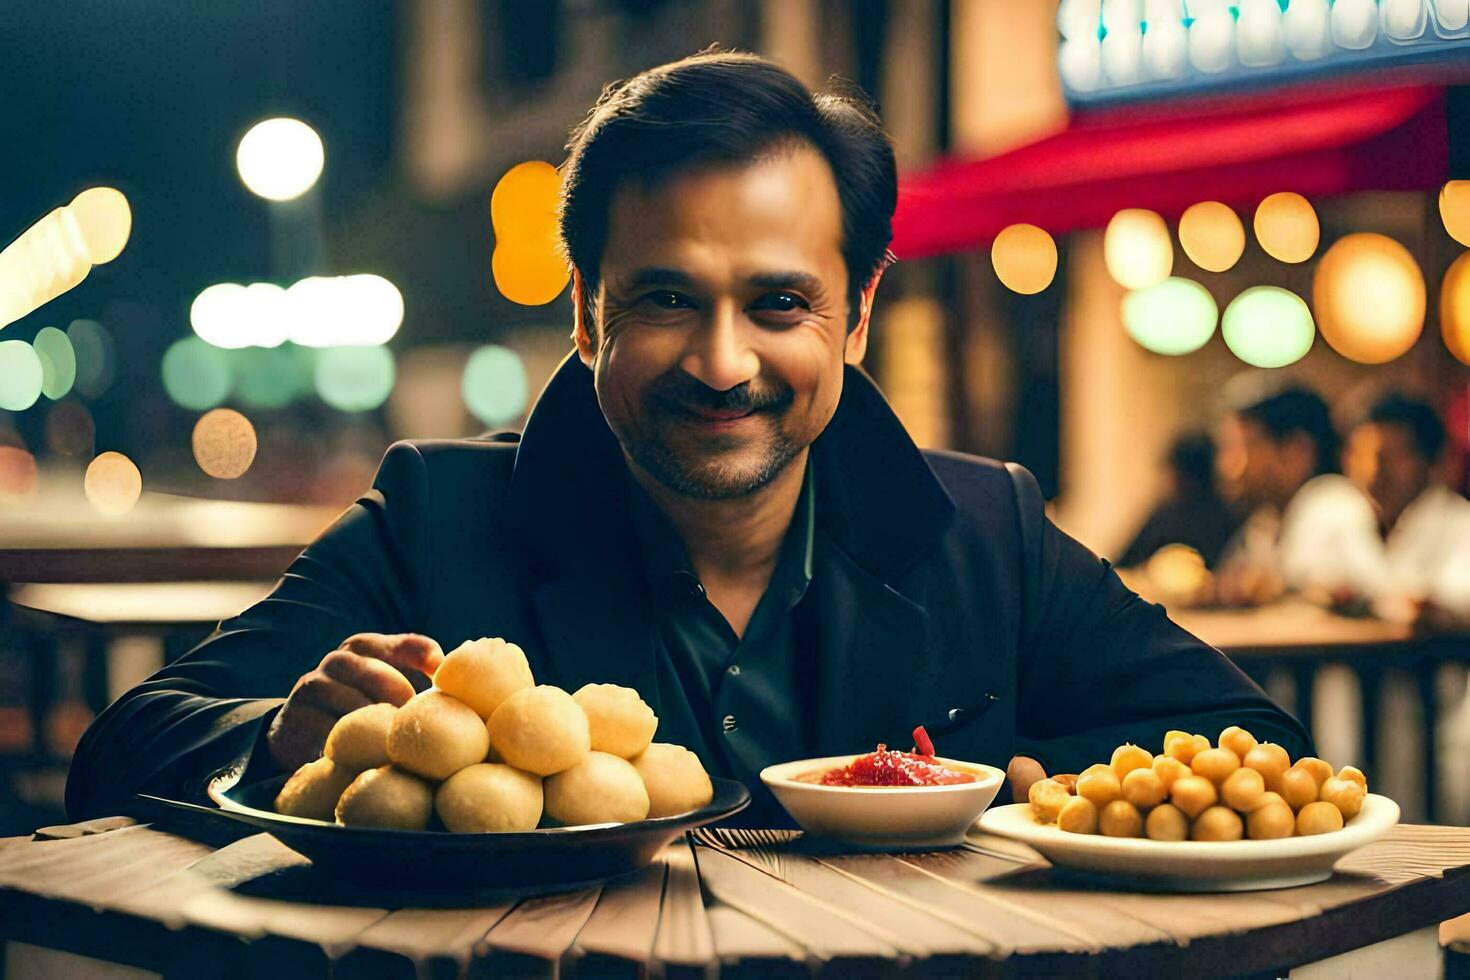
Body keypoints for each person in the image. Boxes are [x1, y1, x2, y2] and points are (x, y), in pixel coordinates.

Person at [65, 50, 1308, 825]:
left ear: (857, 315)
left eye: (779, 303)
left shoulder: (988, 527)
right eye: (665, 298)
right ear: (585, 316)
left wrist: (1024, 790)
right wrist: (281, 735)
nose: (723, 362)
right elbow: (125, 747)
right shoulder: (437, 516)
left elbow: (1265, 748)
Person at [1306, 394, 1470, 622]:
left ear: (1431, 461)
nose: (1372, 471)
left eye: (1389, 457)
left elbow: (1454, 600)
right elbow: (1304, 580)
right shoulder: (1338, 512)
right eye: (1360, 456)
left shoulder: (1462, 524)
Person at [1213, 382, 1352, 607]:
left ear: (1296, 452)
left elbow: (1340, 593)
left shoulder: (1332, 506)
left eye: (1241, 447)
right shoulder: (1265, 522)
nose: (1226, 466)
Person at [1116, 432, 1240, 571]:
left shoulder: (1222, 519)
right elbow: (1123, 565)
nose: (1167, 481)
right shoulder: (1162, 515)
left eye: (1173, 473)